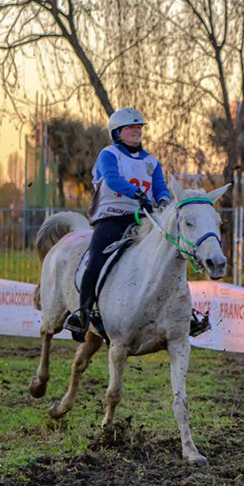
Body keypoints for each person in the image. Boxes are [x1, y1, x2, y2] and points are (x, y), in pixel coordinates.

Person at [63, 107, 170, 338]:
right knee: (95, 261)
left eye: (139, 127)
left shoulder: (152, 161)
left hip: (143, 220)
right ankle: (83, 313)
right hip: (111, 219)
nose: (137, 130)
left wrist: (163, 200)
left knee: (169, 254)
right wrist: (137, 193)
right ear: (116, 132)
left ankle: (180, 313)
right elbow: (112, 179)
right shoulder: (108, 154)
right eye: (131, 127)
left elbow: (161, 187)